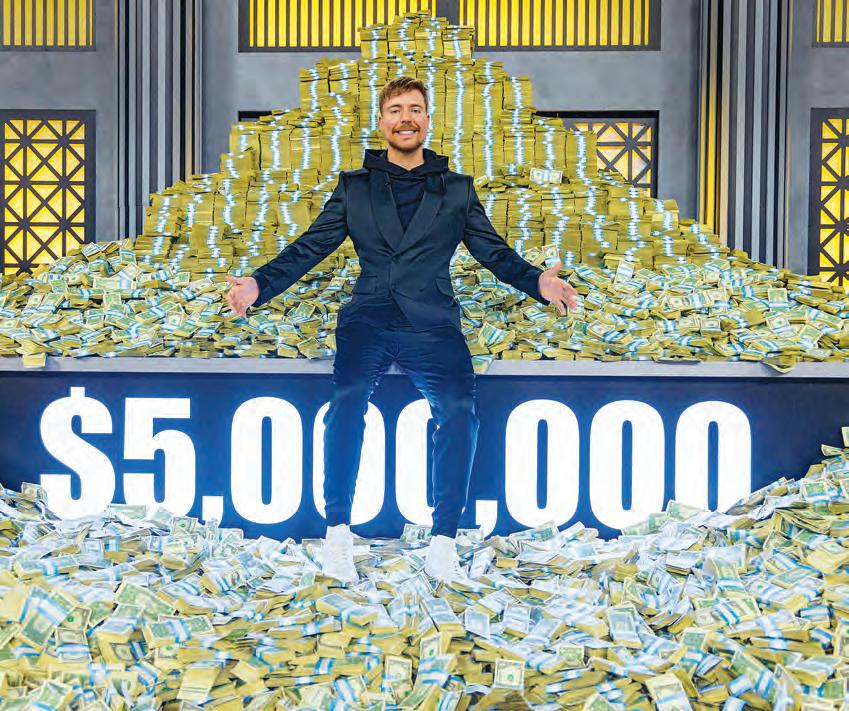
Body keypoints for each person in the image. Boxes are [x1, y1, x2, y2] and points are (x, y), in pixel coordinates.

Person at [225, 76, 578, 584]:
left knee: (459, 412)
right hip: (369, 318)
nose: (405, 118)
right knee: (347, 403)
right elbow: (311, 245)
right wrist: (260, 284)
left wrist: (537, 282)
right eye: (395, 110)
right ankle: (338, 536)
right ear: (382, 121)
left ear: (428, 120)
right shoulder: (354, 187)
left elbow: (493, 252)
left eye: (414, 109)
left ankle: (443, 543)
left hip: (432, 323)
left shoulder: (457, 189)